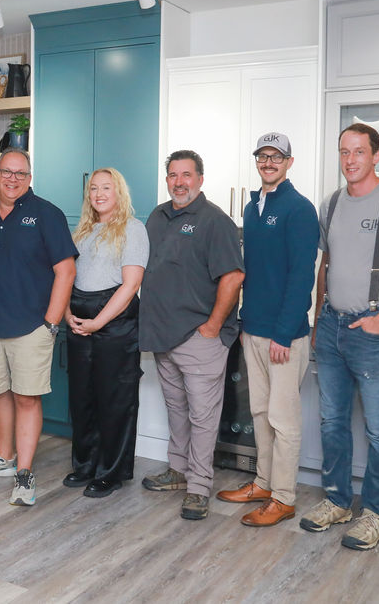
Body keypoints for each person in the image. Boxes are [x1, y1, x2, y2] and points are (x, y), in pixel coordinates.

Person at [300, 122, 379, 550]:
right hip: (333, 326)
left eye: (359, 152)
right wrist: (319, 319)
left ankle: (375, 513)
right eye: (344, 152)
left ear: (377, 156)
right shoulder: (331, 204)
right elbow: (327, 265)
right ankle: (338, 501)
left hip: (375, 332)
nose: (350, 160)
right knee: (332, 422)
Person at [215, 133, 318, 527]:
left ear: (290, 162)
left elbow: (300, 277)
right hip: (253, 329)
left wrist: (284, 332)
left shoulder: (299, 209)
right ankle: (262, 483)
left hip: (283, 335)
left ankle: (285, 497)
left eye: (277, 156)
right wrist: (244, 323)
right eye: (263, 156)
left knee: (283, 419)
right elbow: (252, 272)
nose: (269, 162)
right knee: (259, 412)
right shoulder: (253, 207)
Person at [0, 149, 78, 506]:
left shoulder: (47, 215)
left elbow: (66, 271)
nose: (13, 179)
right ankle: (4, 456)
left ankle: (24, 471)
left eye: (21, 174)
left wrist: (51, 322)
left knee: (26, 397)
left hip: (32, 325)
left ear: (29, 178)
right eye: (6, 172)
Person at [139, 149, 245, 520]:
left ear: (200, 179)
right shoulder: (157, 215)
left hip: (199, 336)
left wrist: (213, 326)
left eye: (186, 175)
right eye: (173, 175)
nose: (179, 182)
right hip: (162, 335)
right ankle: (179, 470)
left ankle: (199, 486)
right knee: (177, 409)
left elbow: (233, 277)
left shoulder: (215, 221)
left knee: (202, 415)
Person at [63, 168, 148, 499]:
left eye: (106, 188)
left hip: (115, 322)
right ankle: (85, 464)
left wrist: (98, 322)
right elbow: (67, 276)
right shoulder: (81, 230)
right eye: (93, 188)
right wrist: (68, 312)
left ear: (119, 192)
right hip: (78, 318)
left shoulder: (133, 229)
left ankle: (110, 472)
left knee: (115, 401)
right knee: (82, 398)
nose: (98, 193)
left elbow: (130, 285)